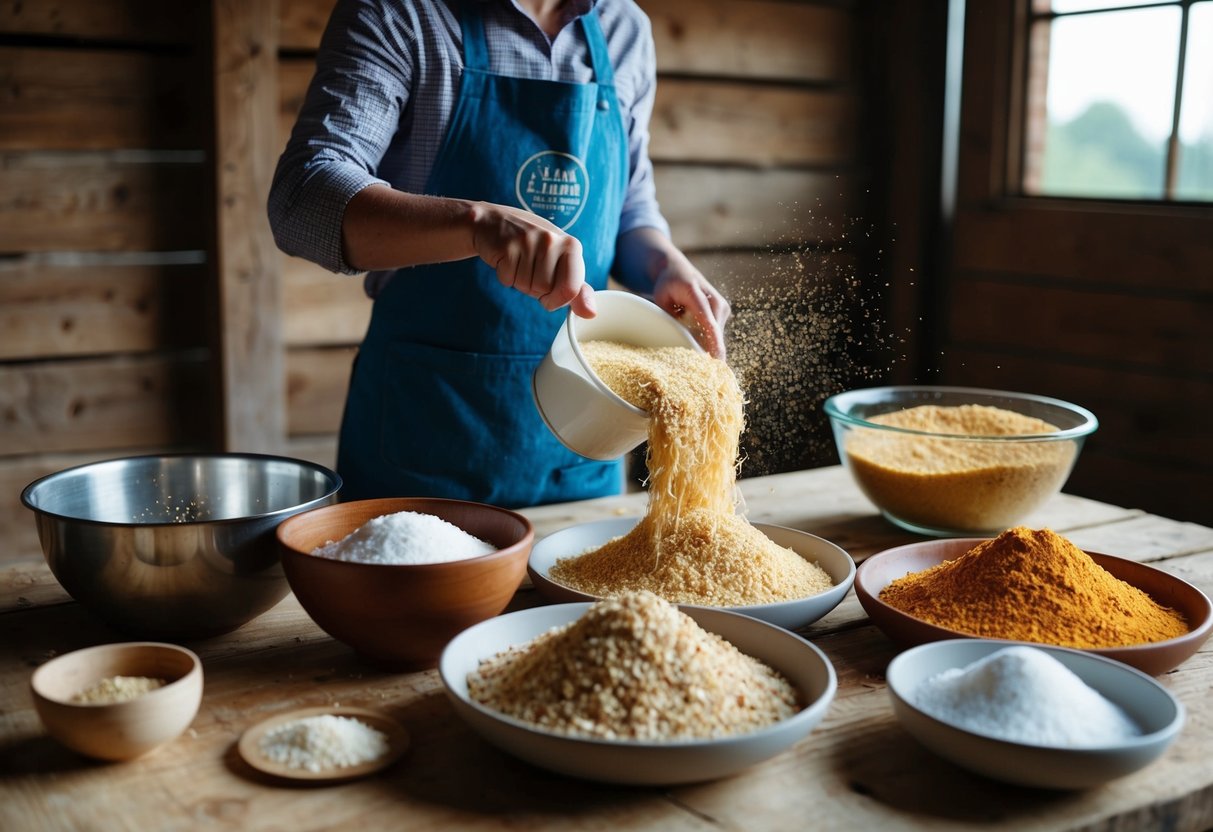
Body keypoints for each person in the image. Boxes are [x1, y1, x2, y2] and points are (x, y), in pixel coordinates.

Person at [268, 0, 730, 508]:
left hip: (581, 451)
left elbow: (630, 207)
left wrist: (664, 265)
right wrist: (478, 223)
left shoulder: (623, 28)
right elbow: (302, 198)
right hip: (421, 445)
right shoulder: (399, 12)